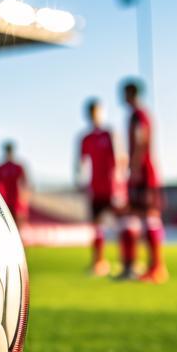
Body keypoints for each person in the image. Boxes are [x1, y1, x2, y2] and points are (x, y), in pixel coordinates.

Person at [118, 78, 168, 283]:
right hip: (140, 173)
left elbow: (140, 140)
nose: (122, 97)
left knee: (149, 217)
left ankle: (157, 267)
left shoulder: (138, 115)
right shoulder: (136, 115)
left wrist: (135, 168)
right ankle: (132, 265)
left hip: (144, 174)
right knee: (133, 218)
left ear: (132, 93)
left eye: (125, 92)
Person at [76, 99, 118, 276]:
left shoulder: (110, 134)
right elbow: (81, 162)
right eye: (91, 112)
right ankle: (99, 262)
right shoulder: (85, 138)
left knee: (124, 224)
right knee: (97, 227)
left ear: (102, 112)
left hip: (113, 188)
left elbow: (119, 158)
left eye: (97, 111)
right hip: (96, 188)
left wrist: (120, 183)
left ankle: (128, 262)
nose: (94, 115)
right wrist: (81, 180)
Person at [0, 141, 30, 231]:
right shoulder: (0, 168)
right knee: (6, 225)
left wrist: (24, 200)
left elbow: (25, 184)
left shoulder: (18, 167)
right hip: (4, 201)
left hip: (16, 202)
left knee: (17, 226)